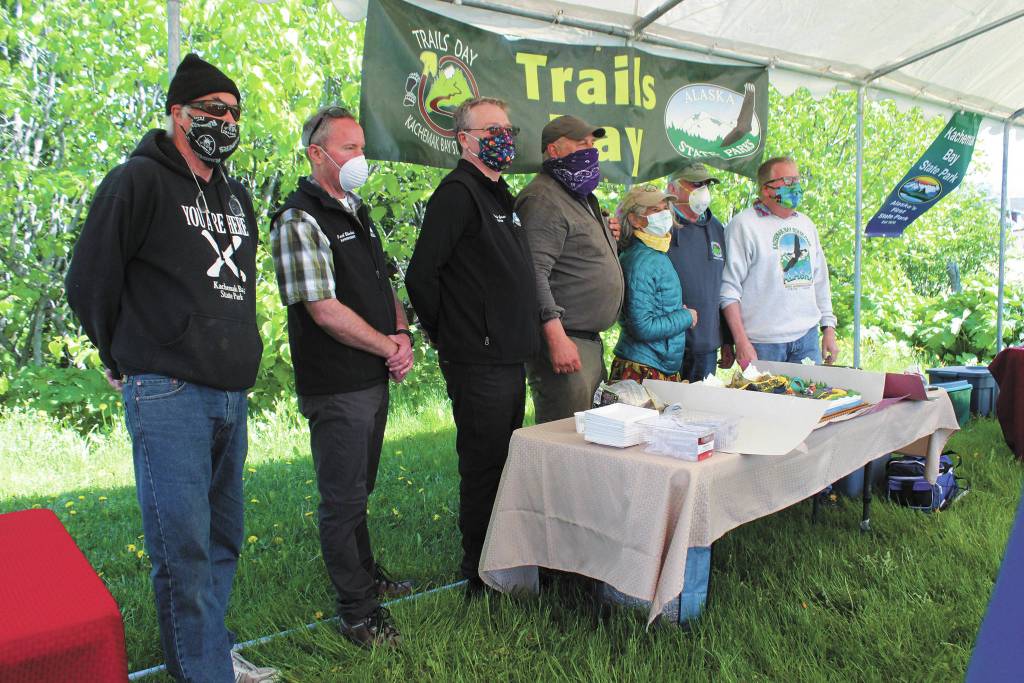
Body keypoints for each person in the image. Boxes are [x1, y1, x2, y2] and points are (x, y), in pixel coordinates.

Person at [65, 54, 277, 682]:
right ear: (178, 113)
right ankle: (204, 673)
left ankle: (211, 653)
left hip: (230, 390)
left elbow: (239, 287)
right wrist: (120, 354)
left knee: (221, 539)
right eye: (213, 110)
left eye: (234, 113)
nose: (226, 122)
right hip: (168, 390)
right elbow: (89, 279)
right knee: (182, 547)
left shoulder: (236, 196)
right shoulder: (136, 181)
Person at [269, 106, 413, 649]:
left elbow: (382, 285)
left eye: (361, 147)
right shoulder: (299, 219)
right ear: (317, 154)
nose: (360, 158)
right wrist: (387, 348)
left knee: (359, 489)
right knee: (343, 498)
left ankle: (367, 575)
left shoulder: (356, 210)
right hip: (337, 383)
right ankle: (358, 611)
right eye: (349, 148)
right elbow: (324, 310)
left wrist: (402, 335)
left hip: (370, 376)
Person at [406, 97, 539, 597]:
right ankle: (478, 573)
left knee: (504, 461)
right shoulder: (458, 194)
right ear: (464, 139)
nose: (504, 137)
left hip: (508, 356)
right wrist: (450, 334)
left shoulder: (500, 194)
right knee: (484, 465)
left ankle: (503, 560)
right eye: (492, 130)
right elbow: (422, 275)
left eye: (508, 129)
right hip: (478, 359)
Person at [515, 115, 624, 422]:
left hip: (586, 342)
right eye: (581, 144)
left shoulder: (578, 196)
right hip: (565, 339)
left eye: (592, 144)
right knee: (565, 435)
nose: (591, 151)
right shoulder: (543, 198)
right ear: (554, 150)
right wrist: (556, 338)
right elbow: (533, 272)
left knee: (589, 435)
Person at [720, 156, 839, 365]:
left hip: (807, 338)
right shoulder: (743, 225)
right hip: (762, 343)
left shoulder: (805, 224)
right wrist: (740, 341)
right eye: (788, 181)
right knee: (764, 390)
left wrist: (828, 328)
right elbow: (728, 289)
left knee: (812, 389)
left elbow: (820, 280)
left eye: (797, 180)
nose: (795, 187)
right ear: (766, 189)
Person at [610, 184, 697, 382]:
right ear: (634, 219)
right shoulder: (642, 260)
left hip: (654, 363)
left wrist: (675, 311)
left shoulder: (652, 253)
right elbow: (642, 326)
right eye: (655, 210)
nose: (664, 214)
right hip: (644, 368)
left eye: (665, 209)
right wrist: (686, 316)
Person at [664, 162, 734, 382]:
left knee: (703, 403)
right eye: (695, 184)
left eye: (706, 184)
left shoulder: (717, 229)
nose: (702, 190)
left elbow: (725, 286)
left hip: (706, 347)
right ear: (673, 188)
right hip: (665, 345)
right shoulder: (659, 224)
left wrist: (727, 339)